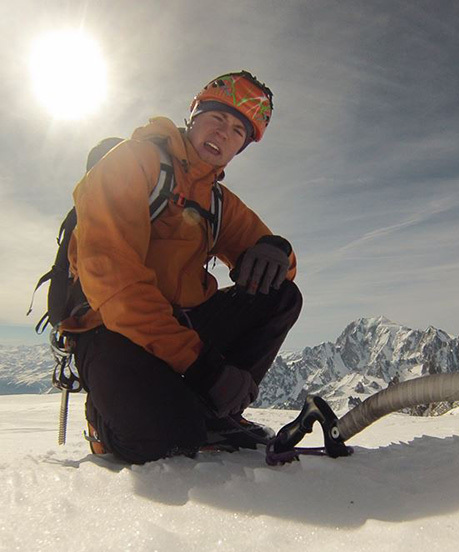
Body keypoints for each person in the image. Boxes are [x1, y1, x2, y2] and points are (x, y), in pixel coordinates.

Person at [62, 71, 302, 464]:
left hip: (180, 326)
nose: (224, 134)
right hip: (112, 329)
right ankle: (104, 425)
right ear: (194, 116)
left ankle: (218, 415)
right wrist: (202, 366)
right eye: (217, 119)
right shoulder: (131, 162)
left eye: (238, 131)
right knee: (167, 441)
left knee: (280, 295)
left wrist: (277, 249)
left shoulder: (218, 202)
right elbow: (116, 287)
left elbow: (281, 271)